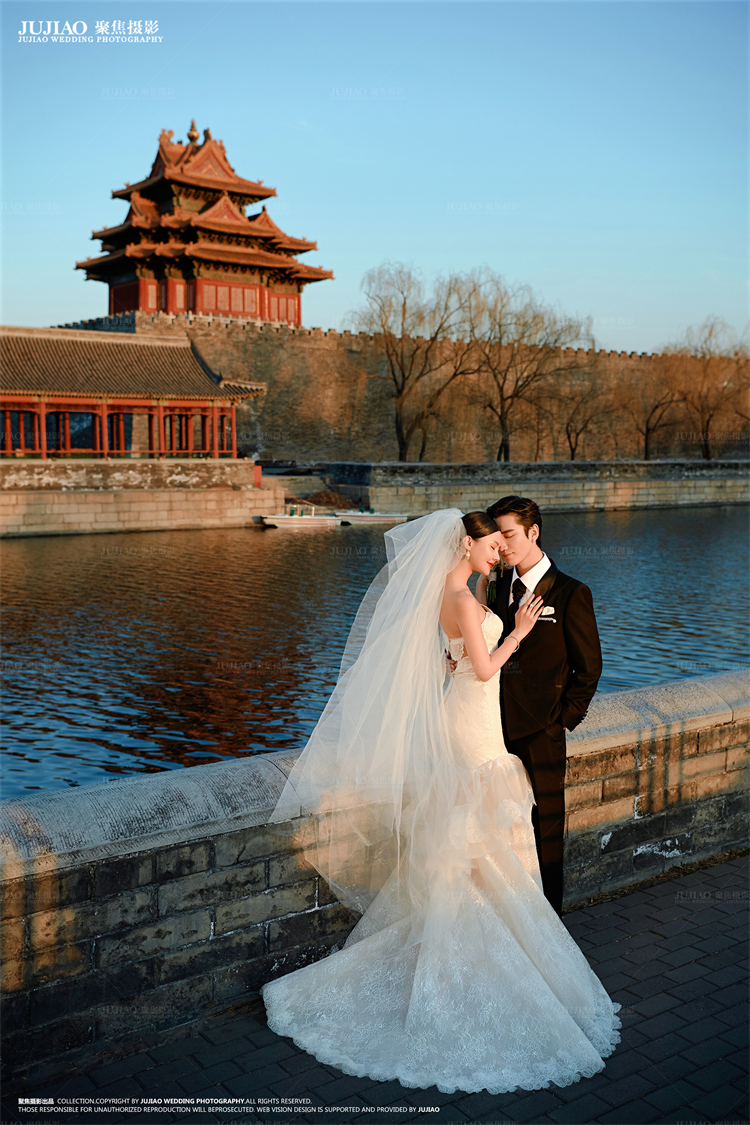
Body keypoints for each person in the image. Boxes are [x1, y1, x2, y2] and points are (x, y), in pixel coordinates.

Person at [261, 509, 620, 1095]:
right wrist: (519, 632)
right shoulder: (464, 596)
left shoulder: (454, 593)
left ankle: (489, 935)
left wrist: (469, 658)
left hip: (467, 715)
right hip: (474, 724)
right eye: (489, 544)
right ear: (465, 544)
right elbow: (485, 669)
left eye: (502, 542)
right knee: (482, 828)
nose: (496, 552)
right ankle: (479, 950)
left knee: (470, 833)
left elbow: (455, 658)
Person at [476, 496, 603, 916]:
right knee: (498, 824)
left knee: (545, 826)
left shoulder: (570, 592)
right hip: (492, 728)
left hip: (542, 732)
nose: (502, 545)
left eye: (509, 535)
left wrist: (561, 721)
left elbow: (589, 668)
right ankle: (506, 915)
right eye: (497, 537)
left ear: (533, 532)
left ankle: (551, 921)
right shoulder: (496, 587)